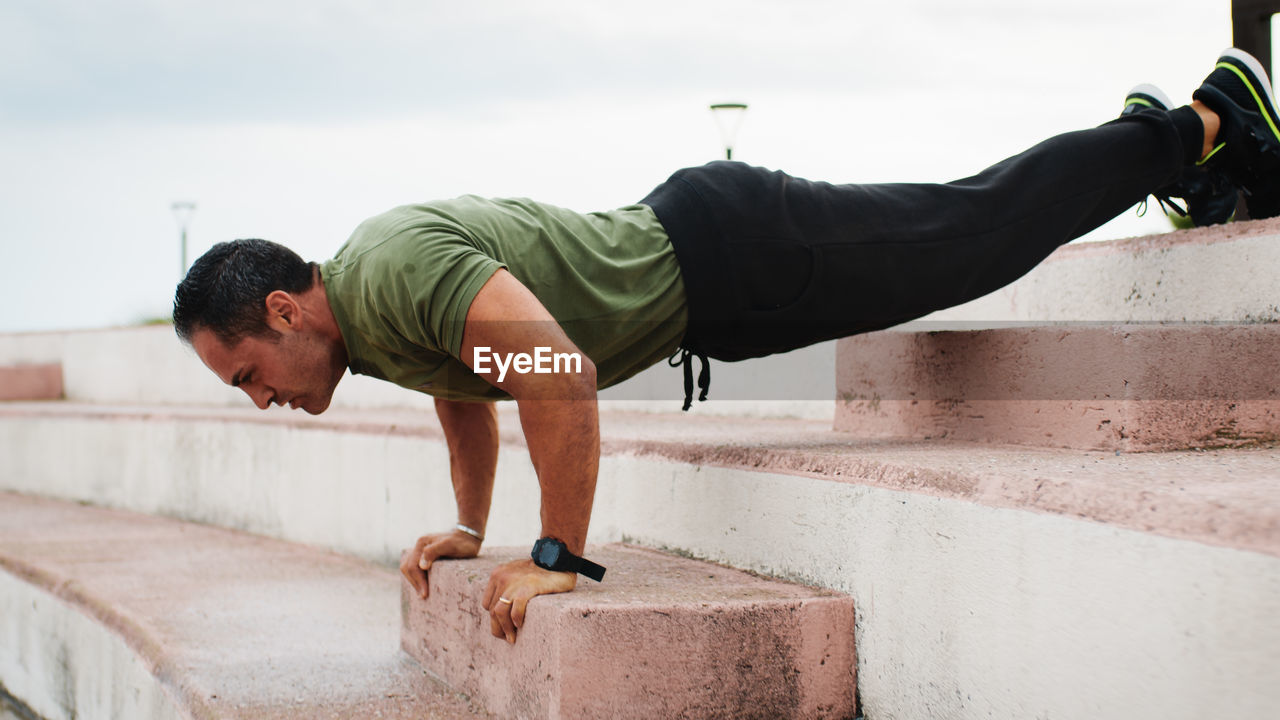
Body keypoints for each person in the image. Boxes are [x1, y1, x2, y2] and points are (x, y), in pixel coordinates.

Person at [173, 49, 1279, 644]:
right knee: (965, 228)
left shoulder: (390, 264)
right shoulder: (371, 321)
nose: (257, 399)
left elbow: (549, 368)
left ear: (281, 312)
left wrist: (557, 557)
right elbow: (469, 387)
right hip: (721, 289)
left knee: (973, 232)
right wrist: (471, 527)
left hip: (734, 246)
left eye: (245, 377)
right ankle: (1156, 143)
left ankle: (1198, 119)